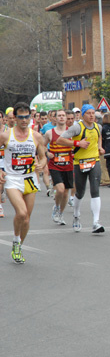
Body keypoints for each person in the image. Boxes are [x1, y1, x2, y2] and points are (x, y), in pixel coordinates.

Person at [0, 102, 47, 263]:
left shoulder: (36, 136)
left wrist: (42, 163)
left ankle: (18, 244)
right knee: (21, 213)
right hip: (12, 179)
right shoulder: (6, 135)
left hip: (30, 179)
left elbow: (43, 156)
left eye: (27, 117)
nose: (24, 120)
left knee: (26, 218)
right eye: (21, 117)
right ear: (15, 117)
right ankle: (15, 238)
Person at [57, 104, 106, 233]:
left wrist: (100, 147)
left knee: (95, 191)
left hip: (94, 161)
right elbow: (60, 140)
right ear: (83, 115)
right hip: (80, 163)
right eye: (88, 113)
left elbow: (98, 137)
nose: (91, 115)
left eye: (93, 113)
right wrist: (77, 143)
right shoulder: (77, 128)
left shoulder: (98, 127)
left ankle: (96, 222)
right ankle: (76, 215)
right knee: (80, 192)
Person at [44, 109, 73, 225]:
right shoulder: (50, 133)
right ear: (55, 118)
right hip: (55, 165)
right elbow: (41, 145)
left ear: (66, 118)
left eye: (63, 116)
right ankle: (56, 207)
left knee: (66, 193)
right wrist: (47, 153)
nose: (61, 117)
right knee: (60, 189)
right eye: (59, 116)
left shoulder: (71, 132)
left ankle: (60, 213)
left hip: (68, 165)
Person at [65, 110, 76, 206]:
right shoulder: (61, 130)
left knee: (75, 178)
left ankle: (72, 197)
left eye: (72, 118)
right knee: (64, 183)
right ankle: (60, 195)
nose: (70, 121)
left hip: (74, 157)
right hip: (62, 159)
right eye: (68, 119)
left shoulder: (77, 129)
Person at [0, 111, 6, 217]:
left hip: (6, 160)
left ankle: (2, 193)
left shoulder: (8, 131)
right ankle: (0, 207)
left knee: (2, 184)